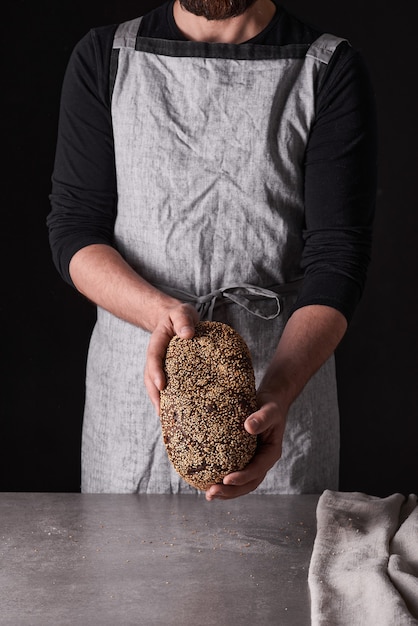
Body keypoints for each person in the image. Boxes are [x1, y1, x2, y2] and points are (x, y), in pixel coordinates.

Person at [47, 0, 377, 499]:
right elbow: (74, 231)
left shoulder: (326, 68)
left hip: (279, 389)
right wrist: (160, 312)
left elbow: (338, 260)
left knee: (273, 575)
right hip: (135, 397)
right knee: (126, 575)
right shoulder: (107, 55)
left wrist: (279, 394)